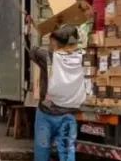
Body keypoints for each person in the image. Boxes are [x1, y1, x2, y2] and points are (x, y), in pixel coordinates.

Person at [28, 24, 85, 161]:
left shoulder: (48, 57)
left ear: (54, 42)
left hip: (46, 113)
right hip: (68, 115)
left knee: (42, 153)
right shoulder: (82, 58)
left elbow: (33, 50)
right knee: (66, 154)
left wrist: (39, 29)